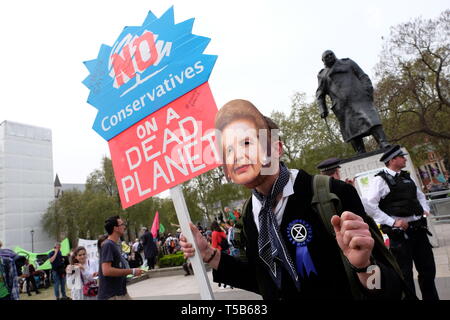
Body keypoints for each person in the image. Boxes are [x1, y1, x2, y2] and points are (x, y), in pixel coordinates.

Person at [180, 99, 410, 300]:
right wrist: (208, 253)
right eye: (228, 150)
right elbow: (264, 281)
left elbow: (387, 288)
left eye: (247, 142)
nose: (238, 155)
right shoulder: (251, 215)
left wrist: (364, 266)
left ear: (277, 148)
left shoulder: (333, 195)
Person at [363, 145, 439, 300]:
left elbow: (420, 196)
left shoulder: (406, 177)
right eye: (401, 157)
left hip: (419, 231)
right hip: (400, 235)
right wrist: (392, 222)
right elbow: (369, 206)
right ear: (392, 160)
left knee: (428, 270)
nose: (405, 158)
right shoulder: (380, 180)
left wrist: (425, 209)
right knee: (405, 275)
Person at [316, 50, 390, 154]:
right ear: (323, 61)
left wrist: (367, 90)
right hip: (342, 107)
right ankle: (360, 151)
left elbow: (362, 76)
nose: (329, 57)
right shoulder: (322, 75)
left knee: (372, 120)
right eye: (326, 57)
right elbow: (320, 94)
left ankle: (383, 142)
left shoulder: (348, 63)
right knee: (352, 130)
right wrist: (322, 109)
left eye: (331, 54)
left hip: (359, 98)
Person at [98, 216, 143, 300]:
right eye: (122, 224)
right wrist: (132, 271)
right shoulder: (108, 245)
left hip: (120, 292)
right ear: (116, 228)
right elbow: (106, 271)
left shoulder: (114, 245)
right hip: (112, 295)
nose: (124, 227)